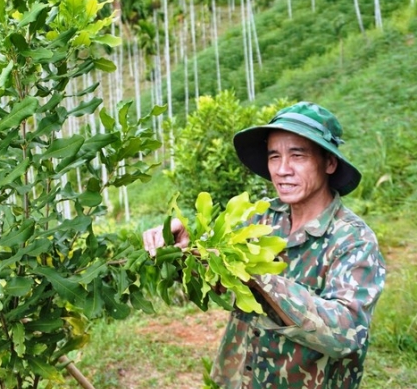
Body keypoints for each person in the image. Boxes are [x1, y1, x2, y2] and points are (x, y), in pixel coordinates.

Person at [142, 102, 386, 389]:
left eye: (298, 155)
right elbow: (218, 274)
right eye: (274, 156)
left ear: (329, 163)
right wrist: (187, 246)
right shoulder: (260, 218)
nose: (282, 170)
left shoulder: (353, 239)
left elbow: (346, 333)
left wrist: (262, 280)